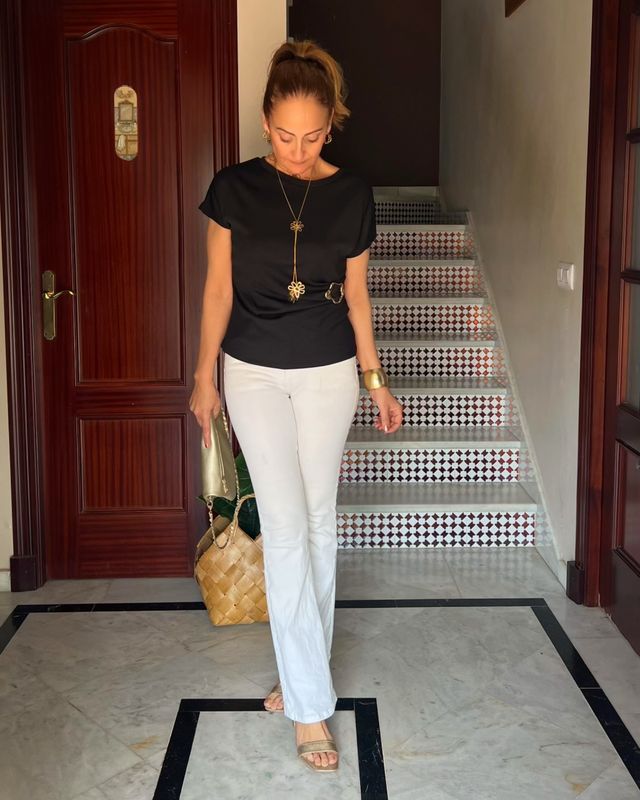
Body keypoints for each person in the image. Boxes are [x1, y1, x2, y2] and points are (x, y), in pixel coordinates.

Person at [189, 38, 403, 773]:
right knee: (284, 526)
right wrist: (204, 375)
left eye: (313, 137)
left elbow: (359, 297)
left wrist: (375, 380)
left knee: (317, 524)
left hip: (329, 373)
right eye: (285, 136)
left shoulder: (352, 194)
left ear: (331, 125)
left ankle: (299, 669)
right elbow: (218, 290)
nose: (298, 151)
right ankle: (310, 710)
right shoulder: (232, 189)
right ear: (264, 122)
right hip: (251, 372)